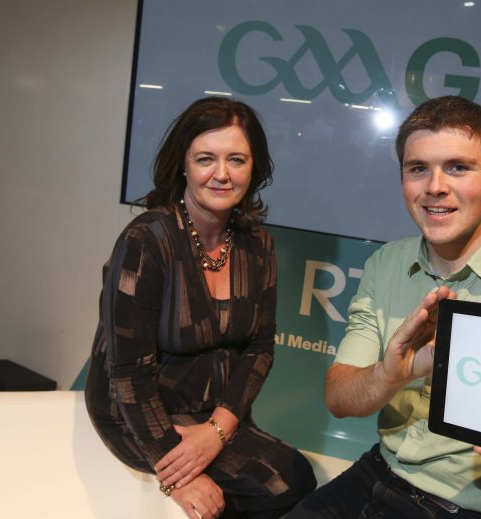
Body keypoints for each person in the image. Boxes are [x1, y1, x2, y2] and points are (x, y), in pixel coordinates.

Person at [289, 96, 481, 519]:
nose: (435, 186)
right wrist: (392, 373)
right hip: (377, 475)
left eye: (458, 167)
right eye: (418, 168)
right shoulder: (385, 265)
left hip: (478, 509)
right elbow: (340, 398)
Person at [85, 97, 316, 519]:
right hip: (136, 413)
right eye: (206, 158)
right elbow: (128, 374)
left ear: (255, 168)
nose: (222, 174)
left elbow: (260, 348)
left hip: (209, 413)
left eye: (237, 160)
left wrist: (218, 430)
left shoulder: (257, 244)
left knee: (296, 478)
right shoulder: (147, 240)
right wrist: (177, 468)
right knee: (252, 495)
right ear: (184, 166)